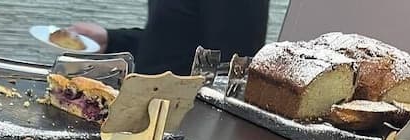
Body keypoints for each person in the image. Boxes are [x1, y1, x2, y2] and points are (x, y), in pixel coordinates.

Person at [68, 0, 269, 76]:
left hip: (182, 131)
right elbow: (170, 41)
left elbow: (233, 70)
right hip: (148, 113)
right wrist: (111, 40)